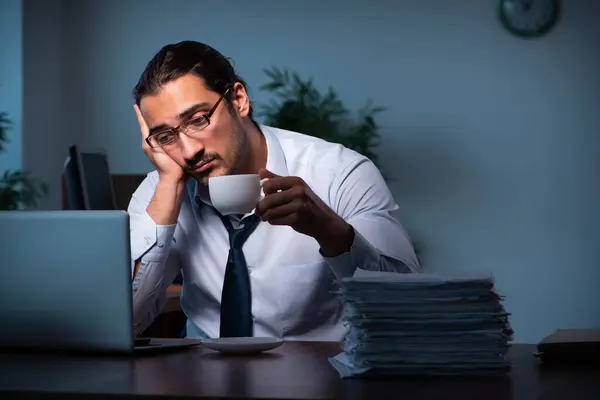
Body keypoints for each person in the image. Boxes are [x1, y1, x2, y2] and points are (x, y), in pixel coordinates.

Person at [129, 40, 419, 340]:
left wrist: (330, 231)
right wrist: (169, 188)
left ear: (238, 99)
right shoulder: (161, 191)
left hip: (320, 378)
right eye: (166, 136)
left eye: (198, 120)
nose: (189, 152)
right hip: (203, 377)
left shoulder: (340, 173)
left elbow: (404, 308)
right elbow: (125, 323)